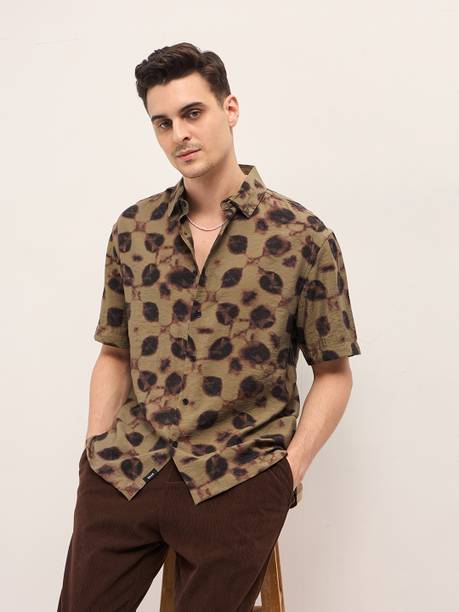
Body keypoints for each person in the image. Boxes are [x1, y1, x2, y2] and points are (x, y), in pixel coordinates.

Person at [57, 42, 362, 611]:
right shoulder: (133, 230)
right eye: (163, 123)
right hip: (129, 467)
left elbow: (334, 372)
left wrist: (287, 473)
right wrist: (94, 453)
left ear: (230, 109)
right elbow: (115, 352)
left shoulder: (302, 237)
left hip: (239, 474)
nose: (180, 134)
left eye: (192, 113)